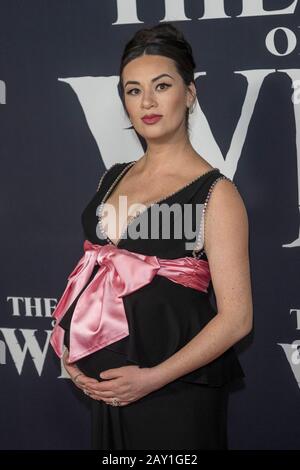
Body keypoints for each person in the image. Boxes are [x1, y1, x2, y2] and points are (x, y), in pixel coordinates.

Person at [50, 22, 253, 450]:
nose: (147, 102)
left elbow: (237, 318)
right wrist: (72, 343)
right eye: (133, 90)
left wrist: (151, 379)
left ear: (190, 93)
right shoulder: (113, 177)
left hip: (173, 395)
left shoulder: (216, 193)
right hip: (109, 394)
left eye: (162, 85)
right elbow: (96, 277)